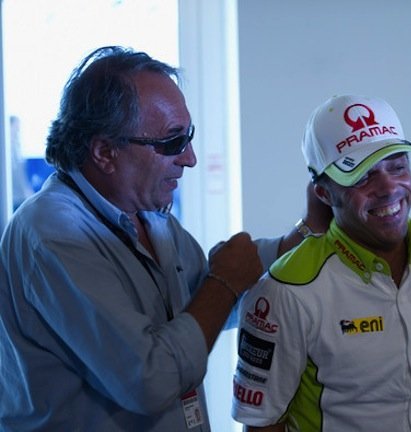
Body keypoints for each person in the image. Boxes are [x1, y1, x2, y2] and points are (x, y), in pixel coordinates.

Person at [0, 46, 329, 431]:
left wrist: (306, 232)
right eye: (172, 142)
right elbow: (149, 380)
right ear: (105, 152)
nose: (189, 158)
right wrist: (223, 282)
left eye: (188, 136)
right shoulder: (53, 234)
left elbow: (205, 300)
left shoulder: (148, 215)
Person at [232, 95, 411, 432]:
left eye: (397, 166)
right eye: (363, 176)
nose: (389, 187)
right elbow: (262, 423)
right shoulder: (285, 290)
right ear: (324, 193)